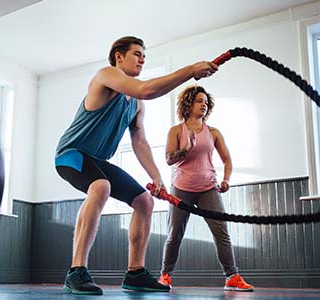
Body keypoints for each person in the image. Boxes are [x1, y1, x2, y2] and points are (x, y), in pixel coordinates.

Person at [54, 36, 218, 295]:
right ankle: (76, 271)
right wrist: (190, 71)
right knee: (100, 186)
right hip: (70, 154)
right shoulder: (106, 75)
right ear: (119, 56)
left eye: (144, 55)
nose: (142, 59)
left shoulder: (135, 104)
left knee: (144, 201)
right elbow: (146, 89)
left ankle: (135, 273)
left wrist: (157, 177)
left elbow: (139, 141)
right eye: (137, 54)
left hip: (97, 161)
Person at [156, 85, 254, 291]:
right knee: (175, 234)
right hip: (181, 188)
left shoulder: (213, 132)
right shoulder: (176, 131)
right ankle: (165, 275)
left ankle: (232, 277)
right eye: (199, 101)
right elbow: (168, 159)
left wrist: (226, 179)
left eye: (206, 102)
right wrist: (187, 149)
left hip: (208, 188)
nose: (204, 105)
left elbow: (227, 160)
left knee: (222, 232)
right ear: (189, 103)